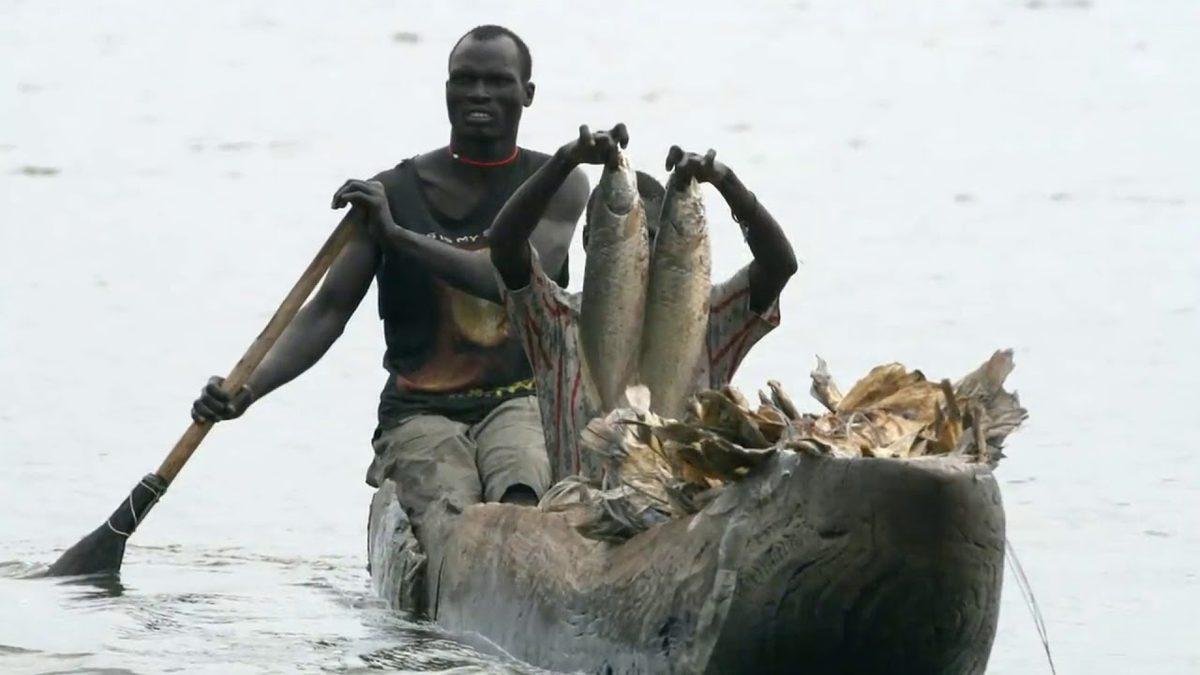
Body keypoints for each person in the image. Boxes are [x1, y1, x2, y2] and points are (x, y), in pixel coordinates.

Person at [190, 26, 589, 537]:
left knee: (522, 492)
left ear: (526, 94)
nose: (479, 94)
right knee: (453, 515)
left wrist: (398, 237)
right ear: (446, 90)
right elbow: (326, 313)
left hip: (521, 402)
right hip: (420, 410)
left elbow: (509, 279)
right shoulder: (391, 192)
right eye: (464, 80)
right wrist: (244, 390)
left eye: (497, 81)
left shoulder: (555, 185)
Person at [488, 129, 799, 480]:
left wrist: (726, 183)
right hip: (578, 513)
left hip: (678, 509)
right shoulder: (555, 322)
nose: (643, 254)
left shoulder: (705, 317)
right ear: (589, 240)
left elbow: (779, 266)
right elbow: (503, 245)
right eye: (634, 238)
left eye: (653, 239)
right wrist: (565, 160)